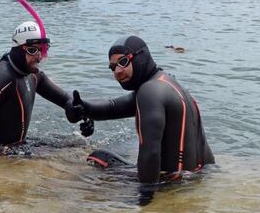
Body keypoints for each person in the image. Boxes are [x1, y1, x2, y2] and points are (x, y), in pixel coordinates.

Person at [67, 36, 215, 184]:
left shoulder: (149, 91)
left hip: (172, 183)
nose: (117, 71)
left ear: (141, 58)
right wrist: (83, 107)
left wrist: (144, 199)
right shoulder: (165, 83)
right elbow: (112, 108)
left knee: (97, 158)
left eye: (123, 62)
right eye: (113, 67)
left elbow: (150, 153)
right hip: (198, 176)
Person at [0, 21, 77, 155]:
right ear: (17, 48)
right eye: (33, 50)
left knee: (76, 146)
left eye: (43, 50)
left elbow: (66, 100)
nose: (39, 57)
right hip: (2, 155)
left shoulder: (33, 75)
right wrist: (0, 153)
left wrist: (80, 112)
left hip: (20, 147)